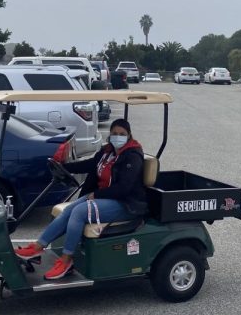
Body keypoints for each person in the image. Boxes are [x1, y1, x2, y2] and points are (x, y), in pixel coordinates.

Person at [14, 118, 147, 279]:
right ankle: (37, 247)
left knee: (79, 212)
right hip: (105, 199)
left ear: (129, 135)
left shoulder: (133, 156)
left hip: (126, 204)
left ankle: (66, 259)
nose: (117, 137)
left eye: (122, 134)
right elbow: (89, 165)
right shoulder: (107, 152)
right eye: (114, 134)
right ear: (110, 136)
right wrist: (64, 167)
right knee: (69, 209)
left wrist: (96, 195)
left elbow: (124, 188)